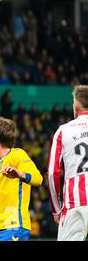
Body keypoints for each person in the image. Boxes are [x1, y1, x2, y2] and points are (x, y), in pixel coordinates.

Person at [48, 85, 88, 241]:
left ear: (76, 106)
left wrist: (56, 210)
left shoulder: (63, 130)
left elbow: (53, 173)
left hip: (75, 202)